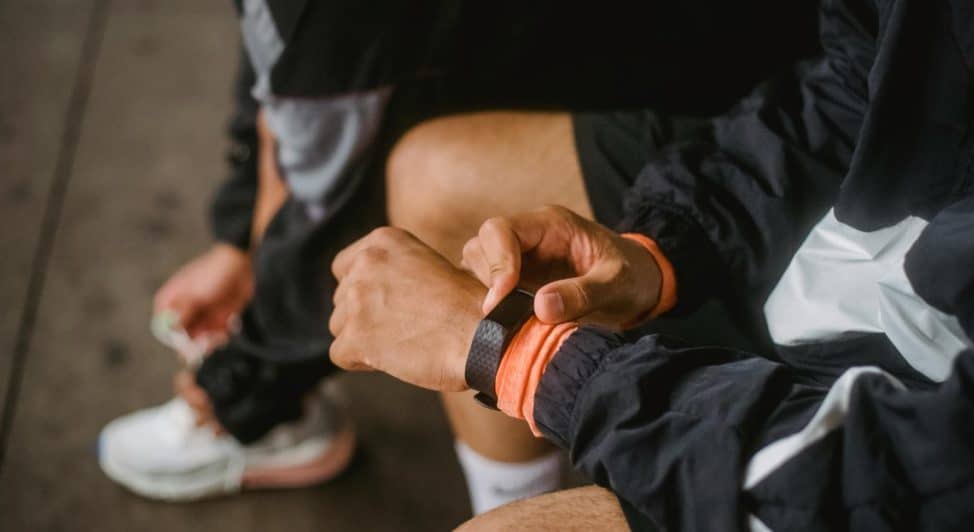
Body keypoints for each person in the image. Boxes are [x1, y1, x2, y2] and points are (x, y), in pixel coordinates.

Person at [327, 0, 974, 529]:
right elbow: (861, 82)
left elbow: (913, 477)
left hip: (932, 441)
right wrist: (661, 252)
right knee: (435, 178)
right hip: (881, 278)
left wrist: (525, 361)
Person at [98, 0, 819, 511]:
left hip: (735, 90)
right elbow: (271, 57)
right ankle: (510, 490)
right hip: (743, 115)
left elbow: (323, 193)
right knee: (450, 203)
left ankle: (491, 489)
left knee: (437, 199)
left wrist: (243, 385)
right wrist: (237, 240)